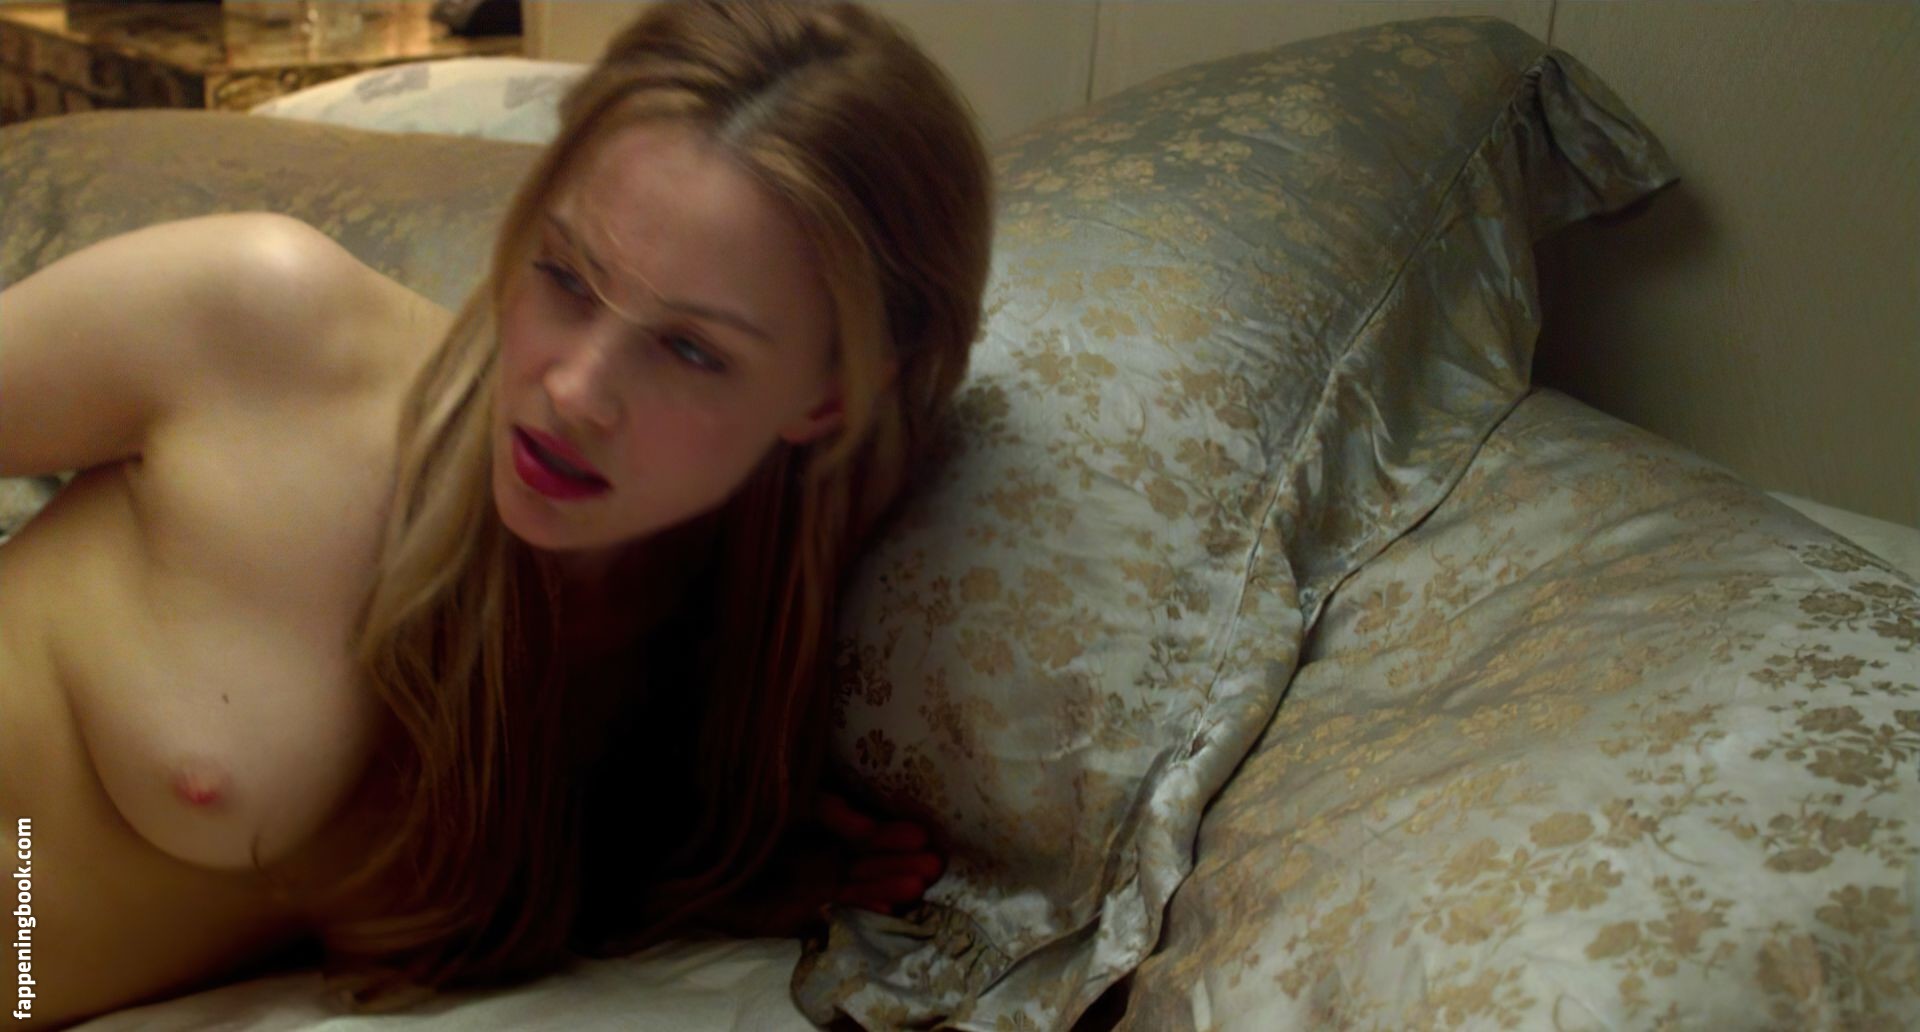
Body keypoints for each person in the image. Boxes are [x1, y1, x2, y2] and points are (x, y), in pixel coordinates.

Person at [0, 0, 994, 1025]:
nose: (575, 390)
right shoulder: (266, 324)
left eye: (690, 349)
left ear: (829, 399)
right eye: (564, 274)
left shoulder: (696, 660)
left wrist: (730, 877)